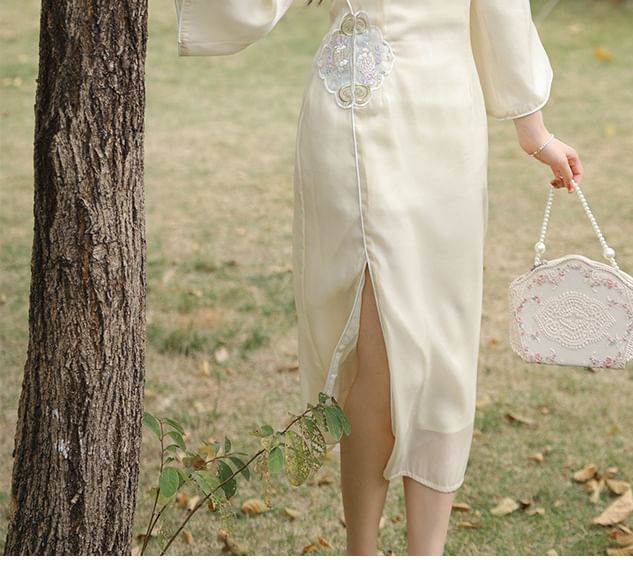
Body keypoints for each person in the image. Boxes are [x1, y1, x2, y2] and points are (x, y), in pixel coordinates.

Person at [173, 0, 584, 556]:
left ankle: (424, 557)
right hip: (348, 115)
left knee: (441, 339)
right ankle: (361, 554)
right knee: (375, 345)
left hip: (440, 117)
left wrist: (534, 131)